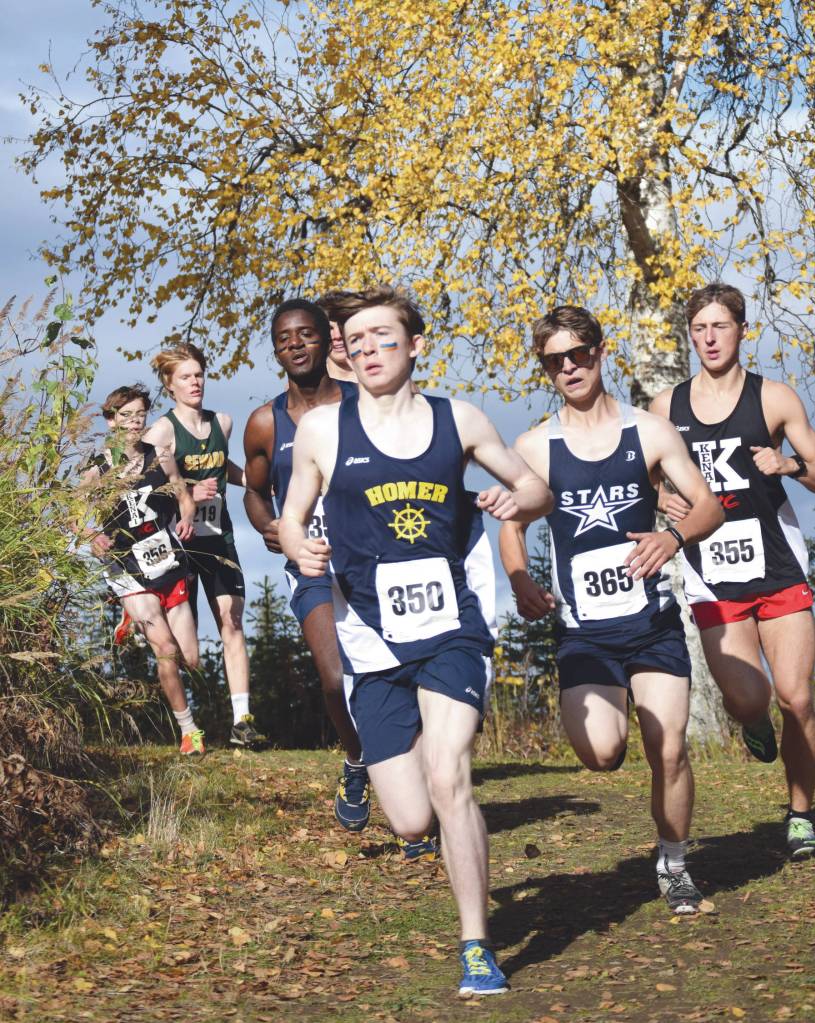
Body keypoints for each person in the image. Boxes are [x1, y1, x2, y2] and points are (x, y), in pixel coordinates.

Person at [279, 285, 552, 997]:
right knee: (407, 814)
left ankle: (475, 946)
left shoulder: (456, 420)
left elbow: (534, 489)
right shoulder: (323, 433)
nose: (366, 350)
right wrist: (298, 546)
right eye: (356, 341)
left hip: (453, 627)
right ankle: (428, 837)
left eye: (382, 338)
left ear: (415, 344)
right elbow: (289, 516)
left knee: (448, 772)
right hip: (370, 643)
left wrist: (514, 499)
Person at [499, 306, 724, 914]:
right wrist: (520, 580)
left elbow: (708, 507)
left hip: (651, 624)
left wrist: (672, 539)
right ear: (546, 370)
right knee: (603, 754)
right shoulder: (535, 447)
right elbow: (511, 527)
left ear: (600, 353)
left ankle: (675, 865)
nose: (568, 367)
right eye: (554, 361)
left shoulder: (648, 433)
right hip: (585, 635)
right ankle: (614, 747)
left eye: (577, 354)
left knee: (669, 746)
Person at [650, 282, 815, 859]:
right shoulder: (666, 407)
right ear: (691, 335)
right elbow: (643, 479)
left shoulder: (774, 399)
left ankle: (801, 816)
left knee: (798, 698)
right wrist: (662, 499)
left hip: (779, 565)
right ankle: (752, 724)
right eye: (699, 329)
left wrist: (789, 464)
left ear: (741, 330)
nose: (709, 338)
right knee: (746, 700)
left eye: (720, 326)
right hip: (712, 572)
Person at [243, 298, 372, 831]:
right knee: (335, 676)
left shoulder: (363, 405)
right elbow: (253, 493)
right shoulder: (264, 423)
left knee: (389, 677)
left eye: (305, 335)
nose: (294, 345)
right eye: (283, 338)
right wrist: (271, 527)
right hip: (311, 565)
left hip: (369, 562)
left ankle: (410, 782)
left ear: (328, 339)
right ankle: (358, 760)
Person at [145, 343, 264, 749]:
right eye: (185, 377)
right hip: (179, 543)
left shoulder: (223, 422)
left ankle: (242, 721)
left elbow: (222, 467)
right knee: (185, 649)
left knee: (231, 620)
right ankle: (187, 726)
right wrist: (190, 491)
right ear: (169, 384)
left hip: (219, 536)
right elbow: (144, 486)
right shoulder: (161, 431)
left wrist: (255, 481)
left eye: (198, 375)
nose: (195, 383)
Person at [81, 385, 206, 755]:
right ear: (110, 420)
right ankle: (189, 732)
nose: (135, 422)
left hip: (165, 557)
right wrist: (92, 536)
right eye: (126, 415)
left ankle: (130, 619)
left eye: (140, 415)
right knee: (165, 649)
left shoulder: (160, 456)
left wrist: (186, 517)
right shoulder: (98, 469)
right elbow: (72, 512)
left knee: (190, 658)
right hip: (126, 566)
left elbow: (183, 495)